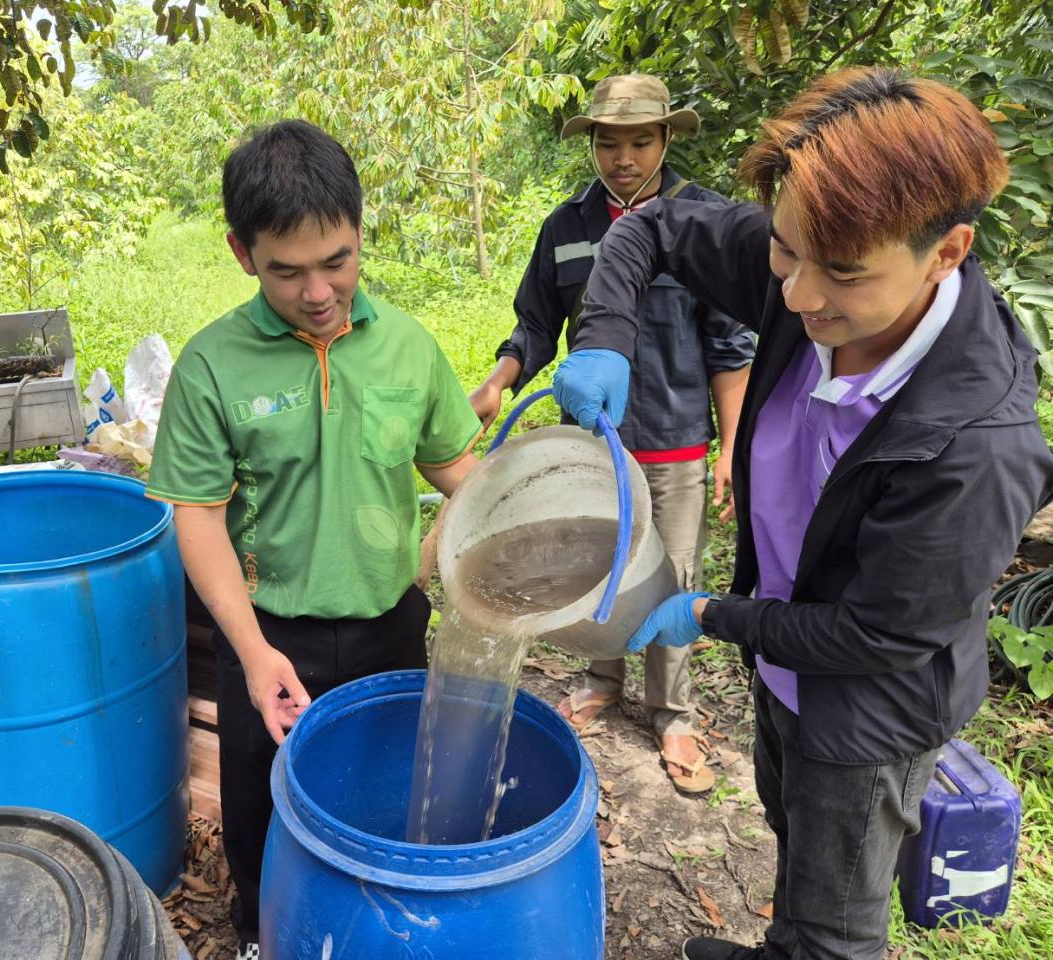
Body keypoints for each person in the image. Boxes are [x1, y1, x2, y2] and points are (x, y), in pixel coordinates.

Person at [552, 66, 1053, 960]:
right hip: (784, 663)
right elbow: (653, 227)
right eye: (786, 253)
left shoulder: (975, 443)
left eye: (844, 274)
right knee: (792, 830)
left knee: (836, 924)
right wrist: (606, 337)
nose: (797, 296)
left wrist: (714, 614)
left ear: (946, 252)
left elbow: (876, 636)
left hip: (866, 709)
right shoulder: (815, 257)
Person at [146, 120, 482, 960]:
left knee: (386, 785)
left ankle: (377, 930)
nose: (319, 291)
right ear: (243, 253)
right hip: (268, 631)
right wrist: (252, 650)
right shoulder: (213, 366)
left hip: (389, 622)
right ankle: (266, 933)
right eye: (287, 271)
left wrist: (530, 508)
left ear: (361, 232)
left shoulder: (407, 347)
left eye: (338, 261)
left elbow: (455, 467)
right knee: (262, 802)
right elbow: (197, 516)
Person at [471, 74, 754, 794]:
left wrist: (733, 446)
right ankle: (602, 678)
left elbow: (729, 347)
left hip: (677, 441)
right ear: (591, 144)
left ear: (665, 140)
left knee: (670, 575)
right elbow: (537, 324)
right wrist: (500, 380)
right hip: (594, 445)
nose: (623, 157)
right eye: (608, 143)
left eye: (640, 141)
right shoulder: (566, 228)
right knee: (599, 565)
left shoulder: (705, 221)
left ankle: (671, 712)